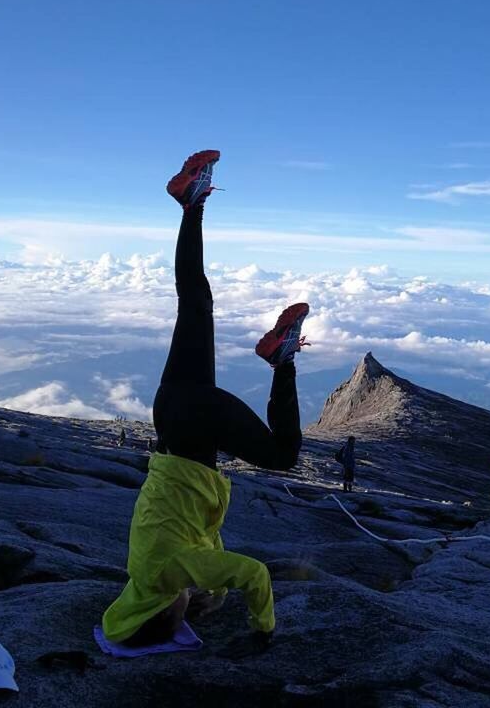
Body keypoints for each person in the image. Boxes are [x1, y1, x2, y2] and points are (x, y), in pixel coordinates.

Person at [101, 150, 310, 655]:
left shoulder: (172, 572)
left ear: (162, 609)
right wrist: (206, 589)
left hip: (195, 429)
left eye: (176, 618)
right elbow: (200, 538)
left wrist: (263, 630)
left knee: (284, 456)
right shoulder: (145, 571)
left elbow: (253, 573)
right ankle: (190, 203)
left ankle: (281, 361)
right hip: (169, 412)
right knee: (195, 305)